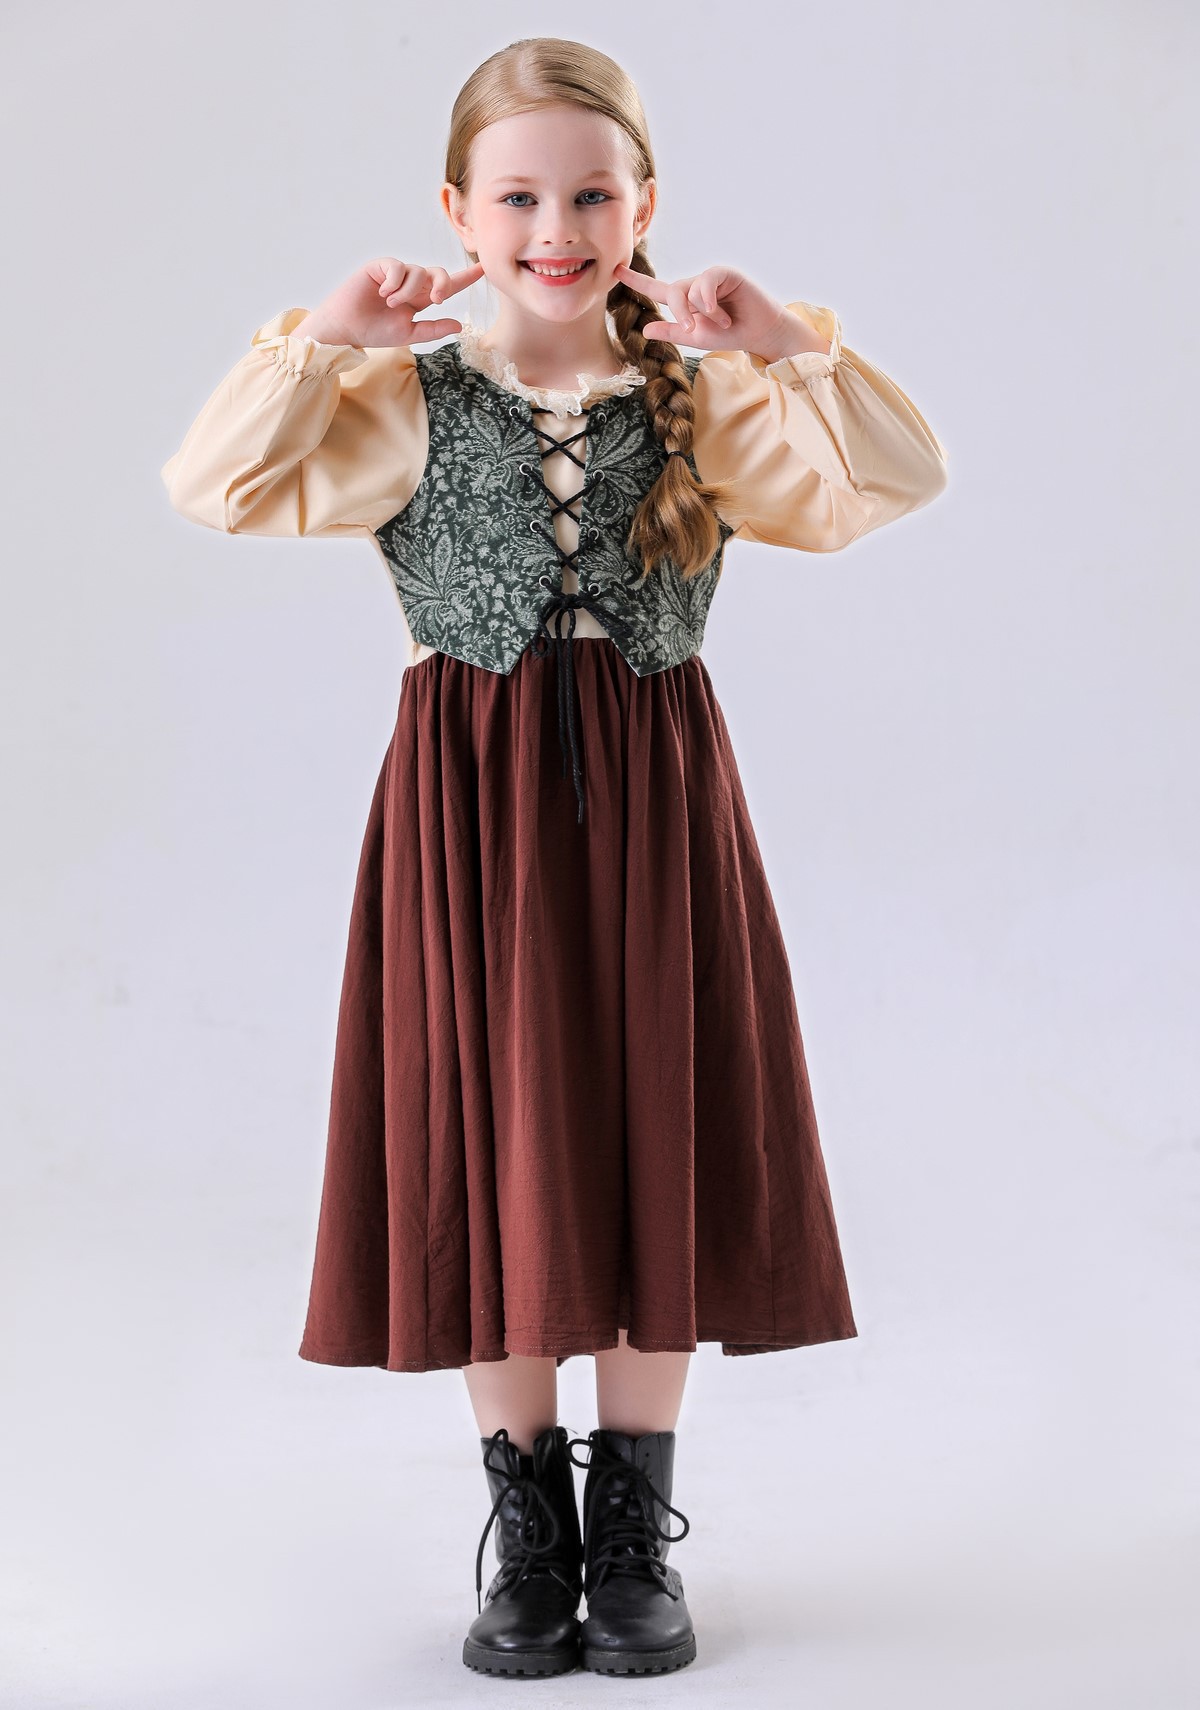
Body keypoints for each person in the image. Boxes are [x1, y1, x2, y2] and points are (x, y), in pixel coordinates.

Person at [161, 34, 948, 1682]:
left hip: (657, 804)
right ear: (457, 210)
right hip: (470, 814)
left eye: (592, 195)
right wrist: (326, 336)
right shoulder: (401, 399)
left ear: (643, 205)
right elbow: (213, 483)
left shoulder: (700, 398)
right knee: (494, 1126)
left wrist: (783, 340)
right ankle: (528, 1531)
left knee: (652, 1112)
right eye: (517, 197)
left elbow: (893, 476)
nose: (556, 227)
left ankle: (632, 1523)